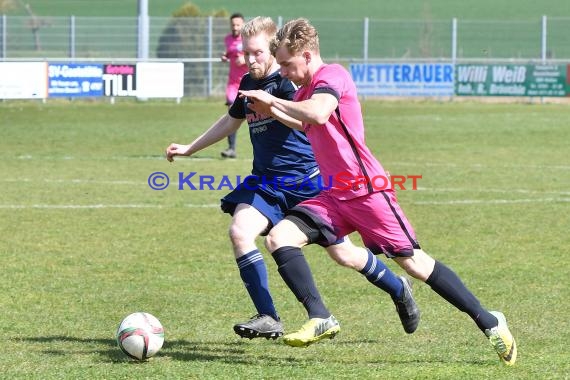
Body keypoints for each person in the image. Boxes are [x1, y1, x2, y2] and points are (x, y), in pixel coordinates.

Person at [240, 18, 517, 365]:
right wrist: (274, 110)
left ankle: (489, 321)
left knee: (414, 263)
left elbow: (320, 114)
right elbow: (306, 122)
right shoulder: (302, 91)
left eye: (286, 63)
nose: (282, 70)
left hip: (367, 191)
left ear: (307, 55)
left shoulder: (332, 76)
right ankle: (320, 317)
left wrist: (272, 100)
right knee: (279, 237)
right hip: (332, 195)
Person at [165, 16, 419, 342]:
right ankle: (269, 316)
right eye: (246, 52)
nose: (251, 59)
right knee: (240, 231)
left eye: (257, 52)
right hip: (267, 183)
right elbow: (230, 122)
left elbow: (313, 116)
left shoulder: (291, 85)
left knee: (343, 254)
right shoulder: (249, 82)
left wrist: (274, 107)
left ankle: (398, 287)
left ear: (273, 50)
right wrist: (190, 148)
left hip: (307, 182)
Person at [220, 13, 249, 159]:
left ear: (243, 25)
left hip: (247, 82)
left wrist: (244, 60)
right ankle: (231, 148)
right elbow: (229, 53)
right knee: (232, 113)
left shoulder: (248, 39)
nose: (235, 27)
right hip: (232, 84)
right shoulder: (228, 39)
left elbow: (257, 55)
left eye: (238, 24)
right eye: (233, 25)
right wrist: (225, 56)